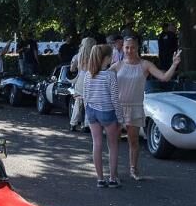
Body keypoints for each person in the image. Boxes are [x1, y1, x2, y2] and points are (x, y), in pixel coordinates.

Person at [112, 35, 181, 180]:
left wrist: (174, 65)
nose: (129, 50)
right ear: (122, 48)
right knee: (114, 141)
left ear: (138, 48)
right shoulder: (117, 65)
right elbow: (103, 81)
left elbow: (164, 77)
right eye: (126, 47)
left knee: (134, 140)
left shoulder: (145, 65)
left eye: (132, 47)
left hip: (135, 107)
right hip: (117, 107)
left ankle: (133, 170)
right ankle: (114, 172)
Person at [83, 44, 124, 188]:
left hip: (91, 111)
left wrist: (87, 114)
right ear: (106, 58)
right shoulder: (110, 75)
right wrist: (120, 118)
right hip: (107, 112)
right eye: (111, 56)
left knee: (97, 144)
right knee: (112, 146)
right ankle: (112, 178)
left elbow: (85, 96)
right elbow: (115, 99)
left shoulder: (88, 74)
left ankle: (100, 179)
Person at [69, 37, 97, 131]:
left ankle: (73, 123)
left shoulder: (77, 56)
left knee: (78, 102)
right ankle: (86, 125)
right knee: (88, 103)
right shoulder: (95, 56)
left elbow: (72, 69)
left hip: (80, 79)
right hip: (91, 79)